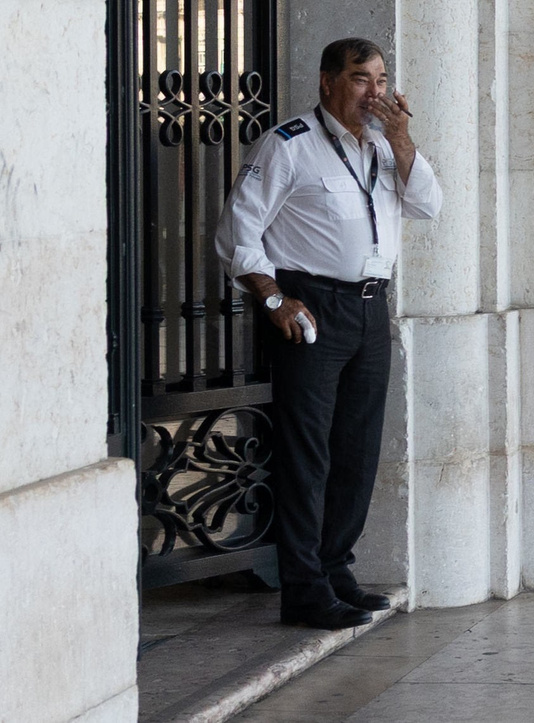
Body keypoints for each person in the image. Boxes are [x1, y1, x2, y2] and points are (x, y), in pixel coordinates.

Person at [217, 38, 444, 629]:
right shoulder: (288, 146)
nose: (375, 91)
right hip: (311, 306)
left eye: (382, 78)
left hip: (372, 310)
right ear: (327, 83)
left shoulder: (384, 147)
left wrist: (400, 141)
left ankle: (336, 567)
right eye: (361, 78)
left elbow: (430, 205)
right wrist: (272, 298)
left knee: (357, 451)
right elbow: (237, 232)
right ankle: (304, 587)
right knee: (308, 453)